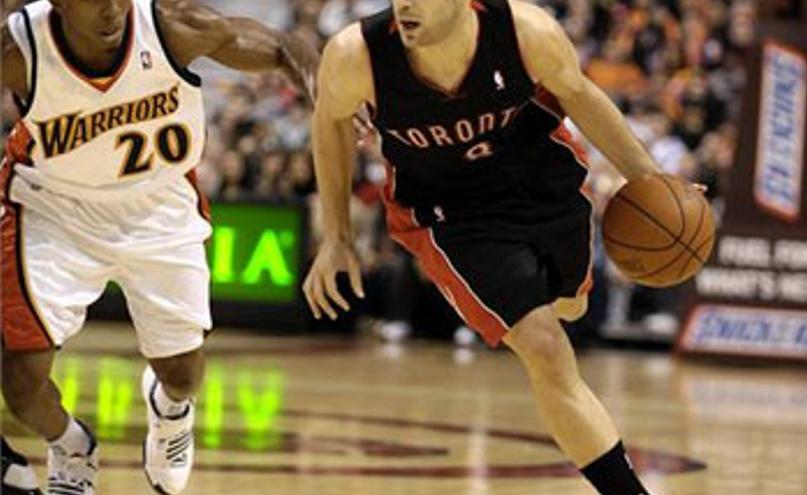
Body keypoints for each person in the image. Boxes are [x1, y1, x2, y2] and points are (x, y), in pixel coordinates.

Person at [303, 0, 677, 494]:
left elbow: (579, 93)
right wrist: (337, 236)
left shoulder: (526, 32)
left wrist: (651, 181)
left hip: (542, 181)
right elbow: (329, 122)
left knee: (572, 303)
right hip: (450, 214)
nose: (405, 6)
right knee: (545, 348)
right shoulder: (358, 55)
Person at [0, 1, 317, 494]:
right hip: (54, 211)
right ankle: (71, 446)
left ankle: (170, 411)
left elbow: (282, 47)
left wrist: (320, 82)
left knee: (183, 375)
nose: (111, 11)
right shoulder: (18, 50)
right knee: (21, 384)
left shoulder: (172, 26)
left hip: (159, 207)